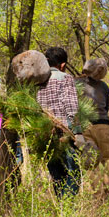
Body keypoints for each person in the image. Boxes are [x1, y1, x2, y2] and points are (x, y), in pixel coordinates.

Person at [34, 47, 81, 196]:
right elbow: (71, 106)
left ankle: (61, 207)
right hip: (63, 133)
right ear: (62, 65)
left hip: (46, 135)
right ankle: (68, 209)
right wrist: (77, 132)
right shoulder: (66, 78)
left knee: (57, 176)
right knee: (73, 173)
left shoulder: (38, 82)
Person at [75, 58, 109, 181]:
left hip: (85, 126)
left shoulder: (75, 83)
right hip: (103, 126)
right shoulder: (104, 86)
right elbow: (106, 106)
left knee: (90, 162)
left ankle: (97, 195)